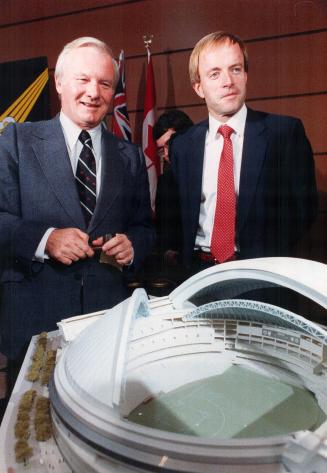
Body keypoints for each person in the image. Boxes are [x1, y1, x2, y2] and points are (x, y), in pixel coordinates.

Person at [0, 38, 154, 372]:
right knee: (31, 422)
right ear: (59, 83)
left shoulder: (129, 156)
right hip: (34, 318)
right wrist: (45, 239)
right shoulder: (16, 140)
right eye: (82, 79)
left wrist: (132, 246)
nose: (93, 92)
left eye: (105, 83)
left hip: (105, 324)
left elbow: (144, 227)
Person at [170, 31, 318, 274]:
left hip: (264, 275)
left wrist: (265, 258)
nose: (228, 81)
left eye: (236, 69)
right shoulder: (183, 145)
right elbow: (174, 218)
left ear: (246, 75)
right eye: (215, 74)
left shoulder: (284, 133)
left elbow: (303, 211)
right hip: (197, 274)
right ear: (199, 87)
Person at [153, 109, 193, 264]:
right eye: (161, 150)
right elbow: (163, 235)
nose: (167, 155)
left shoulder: (215, 172)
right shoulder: (165, 183)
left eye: (170, 144)